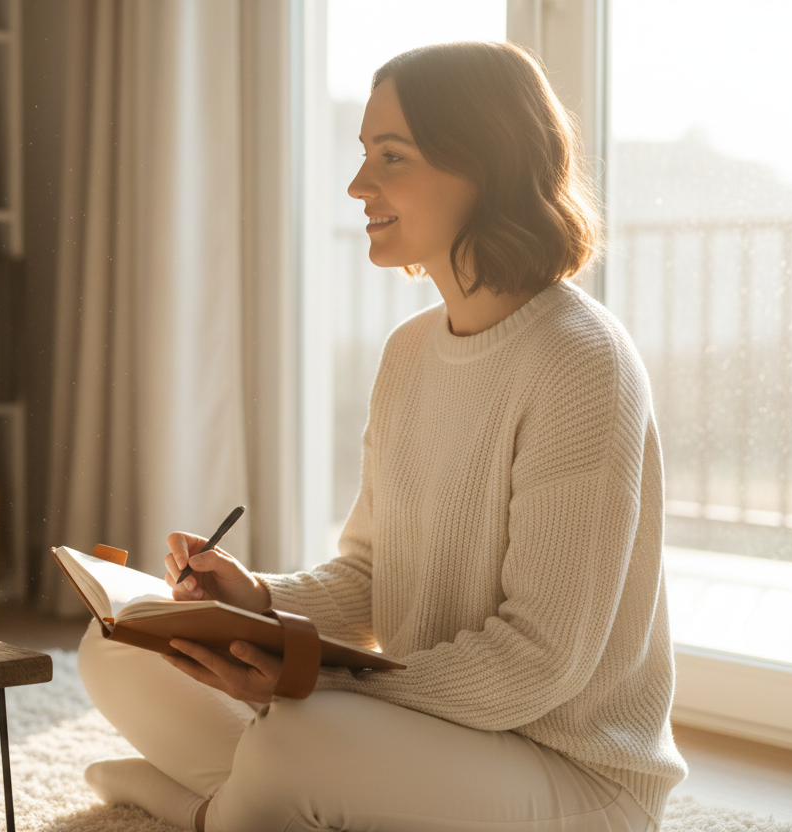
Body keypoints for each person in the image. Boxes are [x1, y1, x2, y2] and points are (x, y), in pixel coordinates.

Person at [78, 41, 687, 832]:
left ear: (486, 164)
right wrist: (256, 601)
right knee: (117, 647)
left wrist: (311, 684)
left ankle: (204, 810)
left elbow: (538, 663)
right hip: (431, 730)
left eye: (390, 157)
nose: (358, 185)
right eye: (364, 154)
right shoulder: (409, 354)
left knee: (293, 740)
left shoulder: (581, 363)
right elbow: (373, 578)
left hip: (570, 776)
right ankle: (235, 806)